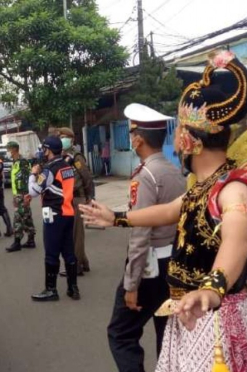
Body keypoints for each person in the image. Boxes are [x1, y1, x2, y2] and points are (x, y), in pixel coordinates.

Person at [80, 51, 247, 372]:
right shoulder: (200, 185)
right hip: (188, 311)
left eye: (178, 131)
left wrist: (212, 288)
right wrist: (117, 217)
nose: (174, 139)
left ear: (190, 139)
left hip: (215, 317)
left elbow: (236, 240)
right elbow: (171, 210)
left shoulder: (232, 188)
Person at [107, 104, 186, 372]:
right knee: (167, 333)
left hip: (150, 269)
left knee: (121, 333)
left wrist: (131, 283)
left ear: (139, 138)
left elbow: (141, 234)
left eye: (131, 133)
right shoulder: (175, 172)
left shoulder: (146, 176)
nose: (130, 138)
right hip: (172, 266)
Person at [28, 136, 80, 301]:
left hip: (53, 214)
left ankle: (51, 290)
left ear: (48, 150)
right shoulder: (67, 166)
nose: (42, 152)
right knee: (69, 252)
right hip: (68, 213)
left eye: (44, 149)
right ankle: (73, 288)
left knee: (51, 253)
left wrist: (32, 175)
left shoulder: (50, 169)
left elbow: (33, 191)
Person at [57, 127, 95, 276]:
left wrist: (89, 195)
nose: (61, 139)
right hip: (67, 198)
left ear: (71, 139)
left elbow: (86, 176)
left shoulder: (77, 157)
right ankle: (83, 261)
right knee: (74, 232)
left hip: (77, 197)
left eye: (64, 137)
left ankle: (77, 265)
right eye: (60, 137)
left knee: (76, 234)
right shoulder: (62, 156)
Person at [5, 141, 36, 252]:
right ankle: (31, 240)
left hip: (22, 194)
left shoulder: (22, 162)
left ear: (14, 149)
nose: (8, 151)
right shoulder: (15, 162)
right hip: (18, 194)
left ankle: (17, 242)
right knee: (26, 217)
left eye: (9, 149)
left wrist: (24, 196)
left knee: (17, 218)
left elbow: (25, 180)